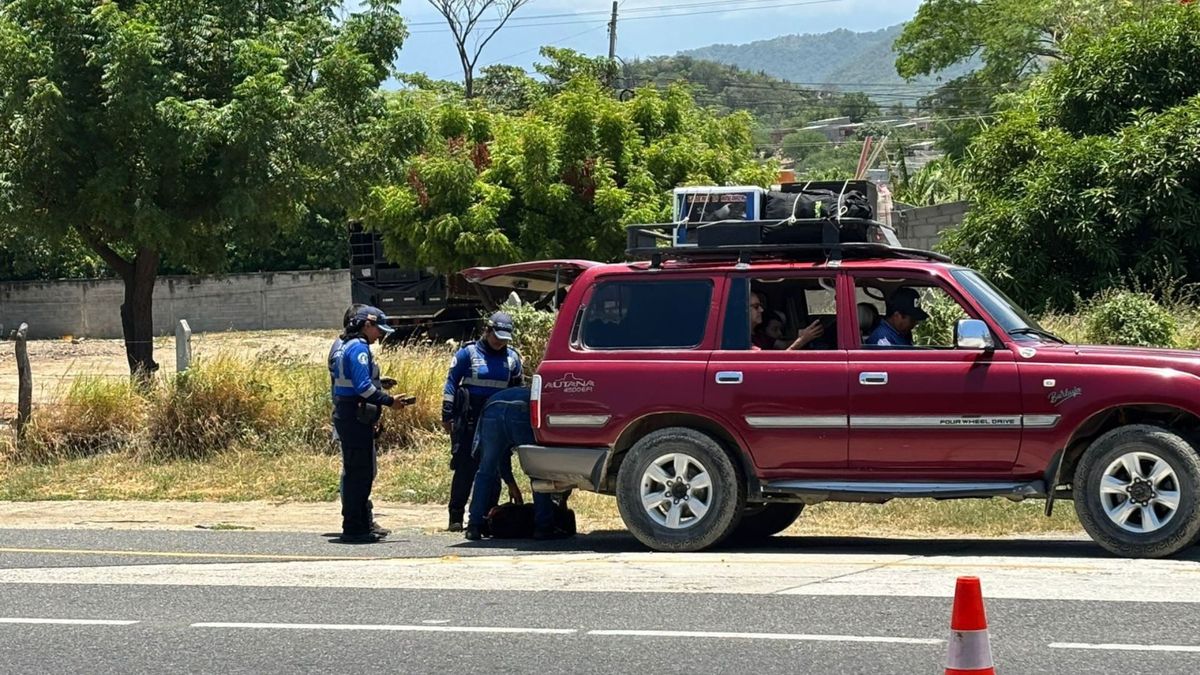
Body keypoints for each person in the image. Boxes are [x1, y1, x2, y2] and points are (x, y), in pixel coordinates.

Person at [329, 305, 412, 543]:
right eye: (378, 329)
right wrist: (390, 401)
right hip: (354, 416)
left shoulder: (345, 345)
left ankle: (357, 524)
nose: (380, 335)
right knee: (360, 474)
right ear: (366, 325)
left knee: (356, 472)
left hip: (348, 414)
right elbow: (364, 388)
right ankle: (355, 527)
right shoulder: (359, 348)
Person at [442, 311, 524, 532]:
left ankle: (487, 516)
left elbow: (517, 391)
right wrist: (447, 414)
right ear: (487, 331)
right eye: (497, 337)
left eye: (504, 339)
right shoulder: (467, 353)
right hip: (469, 417)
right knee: (465, 467)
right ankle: (456, 516)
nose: (500, 342)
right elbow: (451, 383)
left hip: (497, 421)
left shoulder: (512, 358)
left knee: (494, 468)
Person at [464, 386, 571, 541]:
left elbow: (501, 456)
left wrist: (510, 483)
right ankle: (543, 527)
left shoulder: (512, 392)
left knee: (485, 471)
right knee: (537, 472)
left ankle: (473, 526)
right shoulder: (542, 398)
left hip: (493, 408)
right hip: (521, 410)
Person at [750, 292, 823, 351]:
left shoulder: (760, 336)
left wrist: (802, 336)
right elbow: (775, 363)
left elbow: (783, 345)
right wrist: (802, 340)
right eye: (756, 307)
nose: (761, 310)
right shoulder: (745, 341)